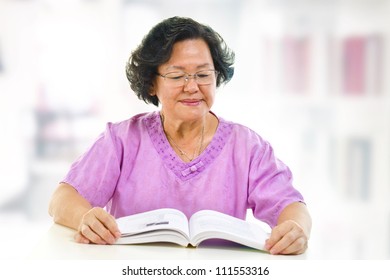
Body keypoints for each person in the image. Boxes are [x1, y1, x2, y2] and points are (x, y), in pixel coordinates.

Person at [48, 16, 311, 255]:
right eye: (177, 75)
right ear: (152, 83)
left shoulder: (247, 147)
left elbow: (291, 206)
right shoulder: (121, 140)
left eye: (203, 74)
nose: (192, 87)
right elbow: (62, 199)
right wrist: (85, 218)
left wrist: (296, 229)